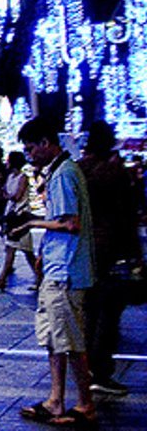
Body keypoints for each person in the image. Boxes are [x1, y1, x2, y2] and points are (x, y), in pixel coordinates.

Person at [16, 118, 97, 426]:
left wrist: (33, 224)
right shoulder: (63, 171)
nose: (29, 155)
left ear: (46, 143)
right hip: (57, 267)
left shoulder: (63, 174)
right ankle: (55, 400)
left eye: (31, 148)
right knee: (55, 339)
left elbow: (71, 223)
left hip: (66, 271)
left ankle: (85, 404)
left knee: (71, 341)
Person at [82, 120, 140, 398]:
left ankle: (89, 370)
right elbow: (126, 216)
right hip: (111, 250)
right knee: (109, 312)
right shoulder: (115, 172)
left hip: (84, 250)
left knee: (90, 311)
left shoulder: (79, 170)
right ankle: (102, 371)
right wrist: (135, 254)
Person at [0, 151, 44, 292]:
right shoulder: (10, 177)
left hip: (20, 217)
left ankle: (2, 279)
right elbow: (3, 196)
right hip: (11, 215)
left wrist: (7, 194)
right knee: (21, 251)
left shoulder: (23, 178)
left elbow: (16, 196)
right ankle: (38, 278)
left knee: (18, 250)